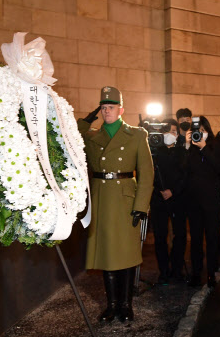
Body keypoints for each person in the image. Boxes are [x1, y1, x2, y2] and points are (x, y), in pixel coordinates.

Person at [78, 86, 154, 323]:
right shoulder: (92, 136)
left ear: (121, 109)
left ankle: (126, 305)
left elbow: (146, 172)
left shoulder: (137, 134)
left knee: (127, 255)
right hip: (102, 199)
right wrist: (86, 120)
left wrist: (141, 205)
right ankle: (111, 306)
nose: (106, 111)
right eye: (102, 108)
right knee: (108, 254)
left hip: (125, 200)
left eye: (110, 107)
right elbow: (70, 137)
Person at [185, 116, 220, 288]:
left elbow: (219, 167)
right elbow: (183, 168)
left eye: (202, 131)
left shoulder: (216, 145)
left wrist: (203, 148)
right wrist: (187, 146)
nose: (199, 135)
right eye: (196, 131)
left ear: (207, 131)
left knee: (211, 238)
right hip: (193, 201)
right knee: (195, 239)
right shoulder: (190, 148)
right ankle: (196, 273)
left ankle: (210, 273)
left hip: (212, 202)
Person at [149, 118, 188, 284]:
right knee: (160, 236)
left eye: (174, 131)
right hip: (159, 200)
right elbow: (149, 174)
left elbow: (186, 175)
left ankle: (177, 269)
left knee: (179, 235)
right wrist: (160, 191)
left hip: (178, 199)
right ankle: (164, 271)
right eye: (167, 131)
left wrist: (173, 191)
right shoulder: (156, 152)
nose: (171, 134)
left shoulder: (182, 151)